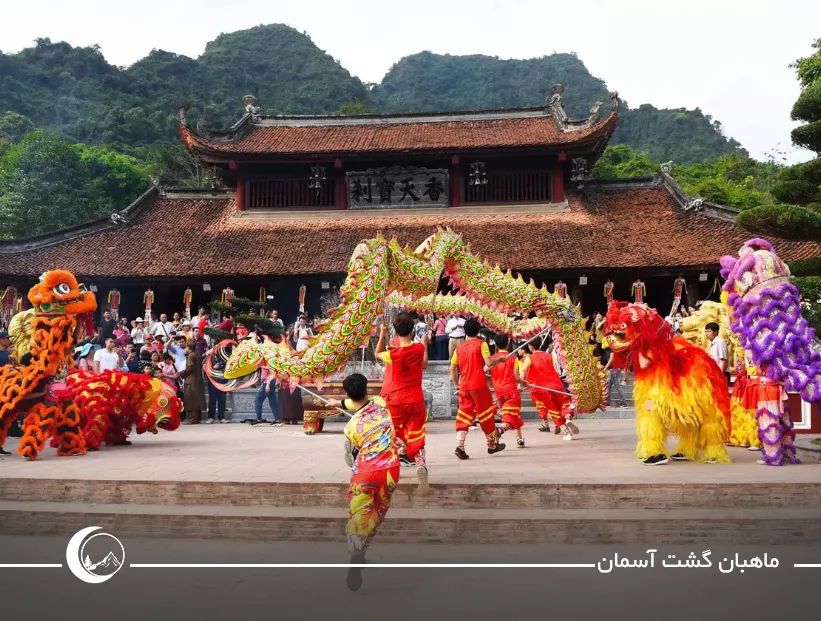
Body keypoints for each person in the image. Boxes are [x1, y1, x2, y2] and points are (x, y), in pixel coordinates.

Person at [329, 373, 399, 591]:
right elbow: (357, 402)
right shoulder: (381, 404)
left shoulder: (350, 427)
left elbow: (350, 458)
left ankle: (355, 553)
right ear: (367, 389)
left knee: (358, 516)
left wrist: (338, 403)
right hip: (390, 470)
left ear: (347, 393)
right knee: (375, 515)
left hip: (365, 473)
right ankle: (361, 555)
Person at [374, 314, 430, 494]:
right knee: (416, 434)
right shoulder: (419, 348)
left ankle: (388, 469)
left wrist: (382, 334)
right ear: (412, 330)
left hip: (396, 400)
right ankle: (420, 463)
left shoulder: (392, 354)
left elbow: (376, 354)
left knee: (391, 434)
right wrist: (424, 341)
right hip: (415, 399)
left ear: (395, 333)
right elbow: (424, 365)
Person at [449, 318, 506, 459]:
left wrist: (457, 384)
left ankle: (460, 446)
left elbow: (452, 367)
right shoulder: (482, 344)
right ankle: (491, 445)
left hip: (464, 386)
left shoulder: (459, 348)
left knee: (464, 415)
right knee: (486, 414)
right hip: (479, 385)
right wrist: (499, 360)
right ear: (478, 330)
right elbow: (488, 362)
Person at [521, 340, 579, 440]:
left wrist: (520, 383)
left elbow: (523, 370)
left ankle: (567, 433)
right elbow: (556, 370)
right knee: (564, 404)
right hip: (556, 384)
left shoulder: (529, 358)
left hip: (540, 388)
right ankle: (568, 417)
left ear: (531, 347)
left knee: (552, 411)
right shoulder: (549, 355)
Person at [490, 334, 525, 448]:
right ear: (508, 344)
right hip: (511, 391)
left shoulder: (492, 359)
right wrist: (524, 383)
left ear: (495, 344)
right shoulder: (513, 358)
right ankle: (499, 430)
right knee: (510, 417)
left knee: (514, 414)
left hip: (499, 392)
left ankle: (519, 439)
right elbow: (516, 377)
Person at [178, 340, 205, 424]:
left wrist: (180, 373)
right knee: (196, 398)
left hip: (191, 380)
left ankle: (193, 419)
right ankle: (197, 419)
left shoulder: (191, 355)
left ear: (188, 347)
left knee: (191, 399)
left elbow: (190, 368)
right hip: (198, 379)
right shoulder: (197, 354)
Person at [602, 340, 628, 409]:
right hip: (614, 369)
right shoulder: (615, 346)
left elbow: (612, 358)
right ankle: (607, 403)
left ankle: (623, 402)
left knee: (616, 386)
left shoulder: (612, 347)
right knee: (608, 386)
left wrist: (605, 367)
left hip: (613, 369)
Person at [205, 348, 228, 424]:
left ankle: (221, 417)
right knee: (212, 400)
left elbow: (227, 365)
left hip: (222, 381)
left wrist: (221, 365)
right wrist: (213, 367)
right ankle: (211, 417)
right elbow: (205, 368)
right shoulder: (209, 357)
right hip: (213, 382)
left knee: (222, 400)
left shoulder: (224, 357)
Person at [0, 329, 12, 455]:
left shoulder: (6, 353)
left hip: (6, 387)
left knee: (3, 419)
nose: (9, 340)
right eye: (6, 338)